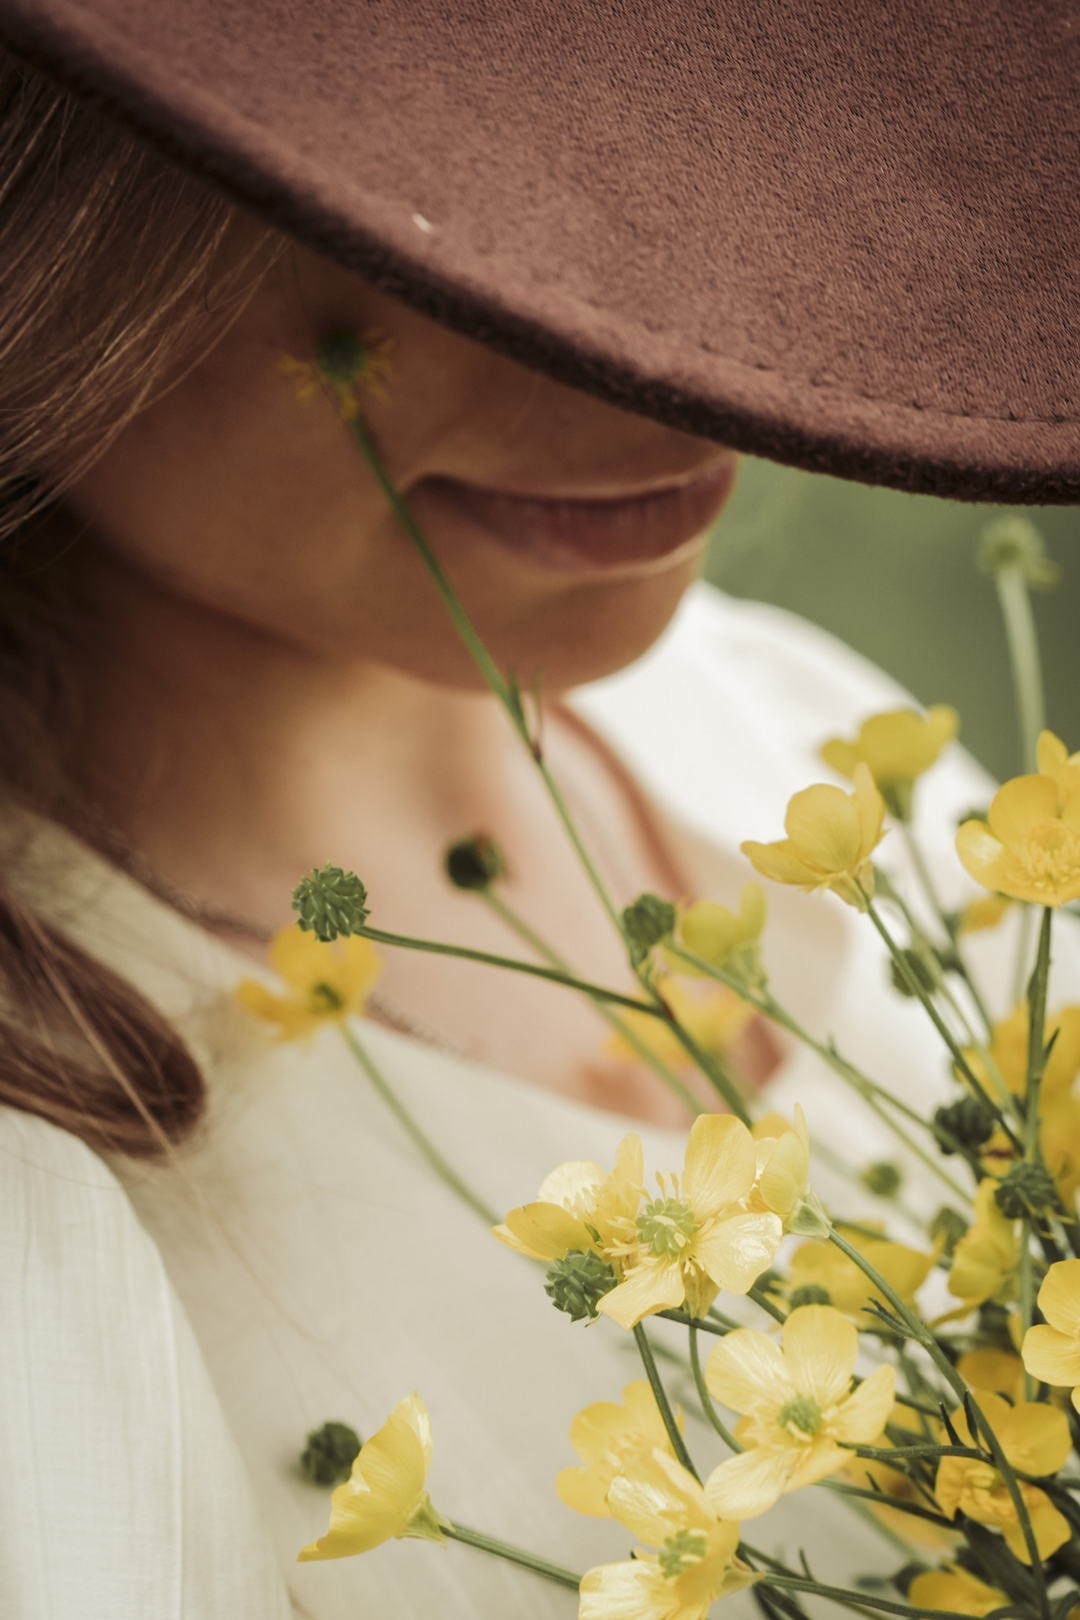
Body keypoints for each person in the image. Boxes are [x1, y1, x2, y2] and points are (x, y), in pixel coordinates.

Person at [0, 6, 1075, 1617]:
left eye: (712, 118)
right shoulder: (55, 1237)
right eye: (435, 194)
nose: (666, 337)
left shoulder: (793, 732)